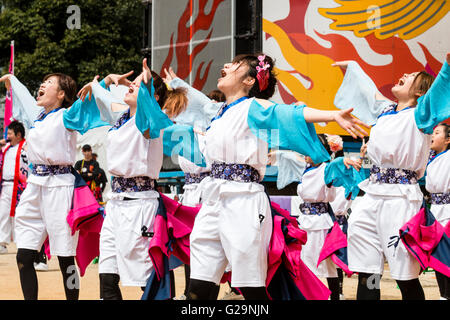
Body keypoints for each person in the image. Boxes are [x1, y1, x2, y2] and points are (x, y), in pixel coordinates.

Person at [164, 53, 368, 300]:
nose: (226, 65)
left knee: (251, 288)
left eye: (236, 65)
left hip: (243, 200)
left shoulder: (253, 106)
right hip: (213, 200)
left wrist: (331, 115)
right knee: (198, 288)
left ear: (249, 81)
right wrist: (178, 85)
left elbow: (290, 114)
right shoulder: (220, 112)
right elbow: (200, 102)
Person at [333, 52, 450, 300]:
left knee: (403, 276)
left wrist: (448, 67)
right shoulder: (384, 111)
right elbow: (369, 91)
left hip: (401, 199)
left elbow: (438, 93)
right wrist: (352, 66)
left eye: (411, 77)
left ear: (420, 93)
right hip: (371, 196)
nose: (404, 75)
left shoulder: (421, 116)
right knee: (368, 272)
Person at [0, 71, 105, 300]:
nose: (42, 85)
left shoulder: (66, 116)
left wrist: (100, 85)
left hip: (60, 186)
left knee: (66, 258)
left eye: (49, 83)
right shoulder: (38, 117)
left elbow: (88, 104)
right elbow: (26, 99)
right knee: (23, 257)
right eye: (42, 81)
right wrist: (13, 80)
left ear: (60, 94)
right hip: (35, 186)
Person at [296, 134, 362, 300]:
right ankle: (310, 295)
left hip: (320, 223)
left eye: (309, 148)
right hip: (306, 221)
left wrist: (342, 162)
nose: (305, 152)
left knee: (326, 264)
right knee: (306, 262)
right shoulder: (307, 168)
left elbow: (335, 166)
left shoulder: (325, 168)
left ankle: (335, 296)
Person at [426, 122, 449, 300]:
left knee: (447, 255)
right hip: (436, 210)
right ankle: (443, 294)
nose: (433, 136)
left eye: (437, 132)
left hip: (448, 210)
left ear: (448, 139)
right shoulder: (432, 157)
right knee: (438, 257)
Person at [0, 120, 28, 254]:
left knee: (20, 215)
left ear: (18, 135)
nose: (7, 136)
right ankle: (2, 242)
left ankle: (21, 244)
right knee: (3, 213)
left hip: (21, 186)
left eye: (10, 133)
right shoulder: (6, 148)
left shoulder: (26, 147)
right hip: (6, 185)